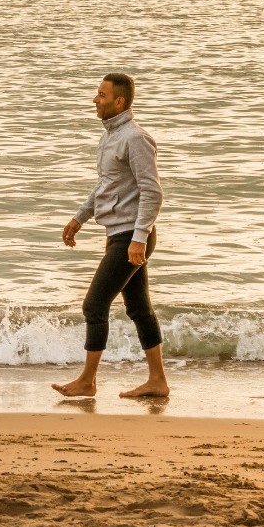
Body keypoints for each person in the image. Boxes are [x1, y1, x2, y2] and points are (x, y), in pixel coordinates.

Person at [52, 73, 170, 399]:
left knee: (94, 304)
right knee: (139, 309)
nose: (95, 99)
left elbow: (152, 192)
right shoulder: (109, 138)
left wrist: (140, 237)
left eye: (101, 95)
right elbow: (106, 186)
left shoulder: (135, 138)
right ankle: (157, 381)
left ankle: (87, 382)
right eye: (96, 93)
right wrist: (80, 217)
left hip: (132, 234)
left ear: (119, 101)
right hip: (120, 232)